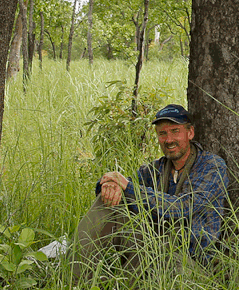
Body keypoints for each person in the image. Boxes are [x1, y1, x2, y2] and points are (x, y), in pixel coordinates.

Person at [73, 104, 229, 277]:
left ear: (190, 133)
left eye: (175, 131)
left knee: (156, 254)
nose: (169, 140)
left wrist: (128, 187)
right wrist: (109, 184)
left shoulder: (211, 166)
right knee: (107, 204)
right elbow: (124, 188)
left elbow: (182, 207)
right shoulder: (155, 169)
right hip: (154, 247)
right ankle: (76, 286)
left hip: (189, 263)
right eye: (162, 134)